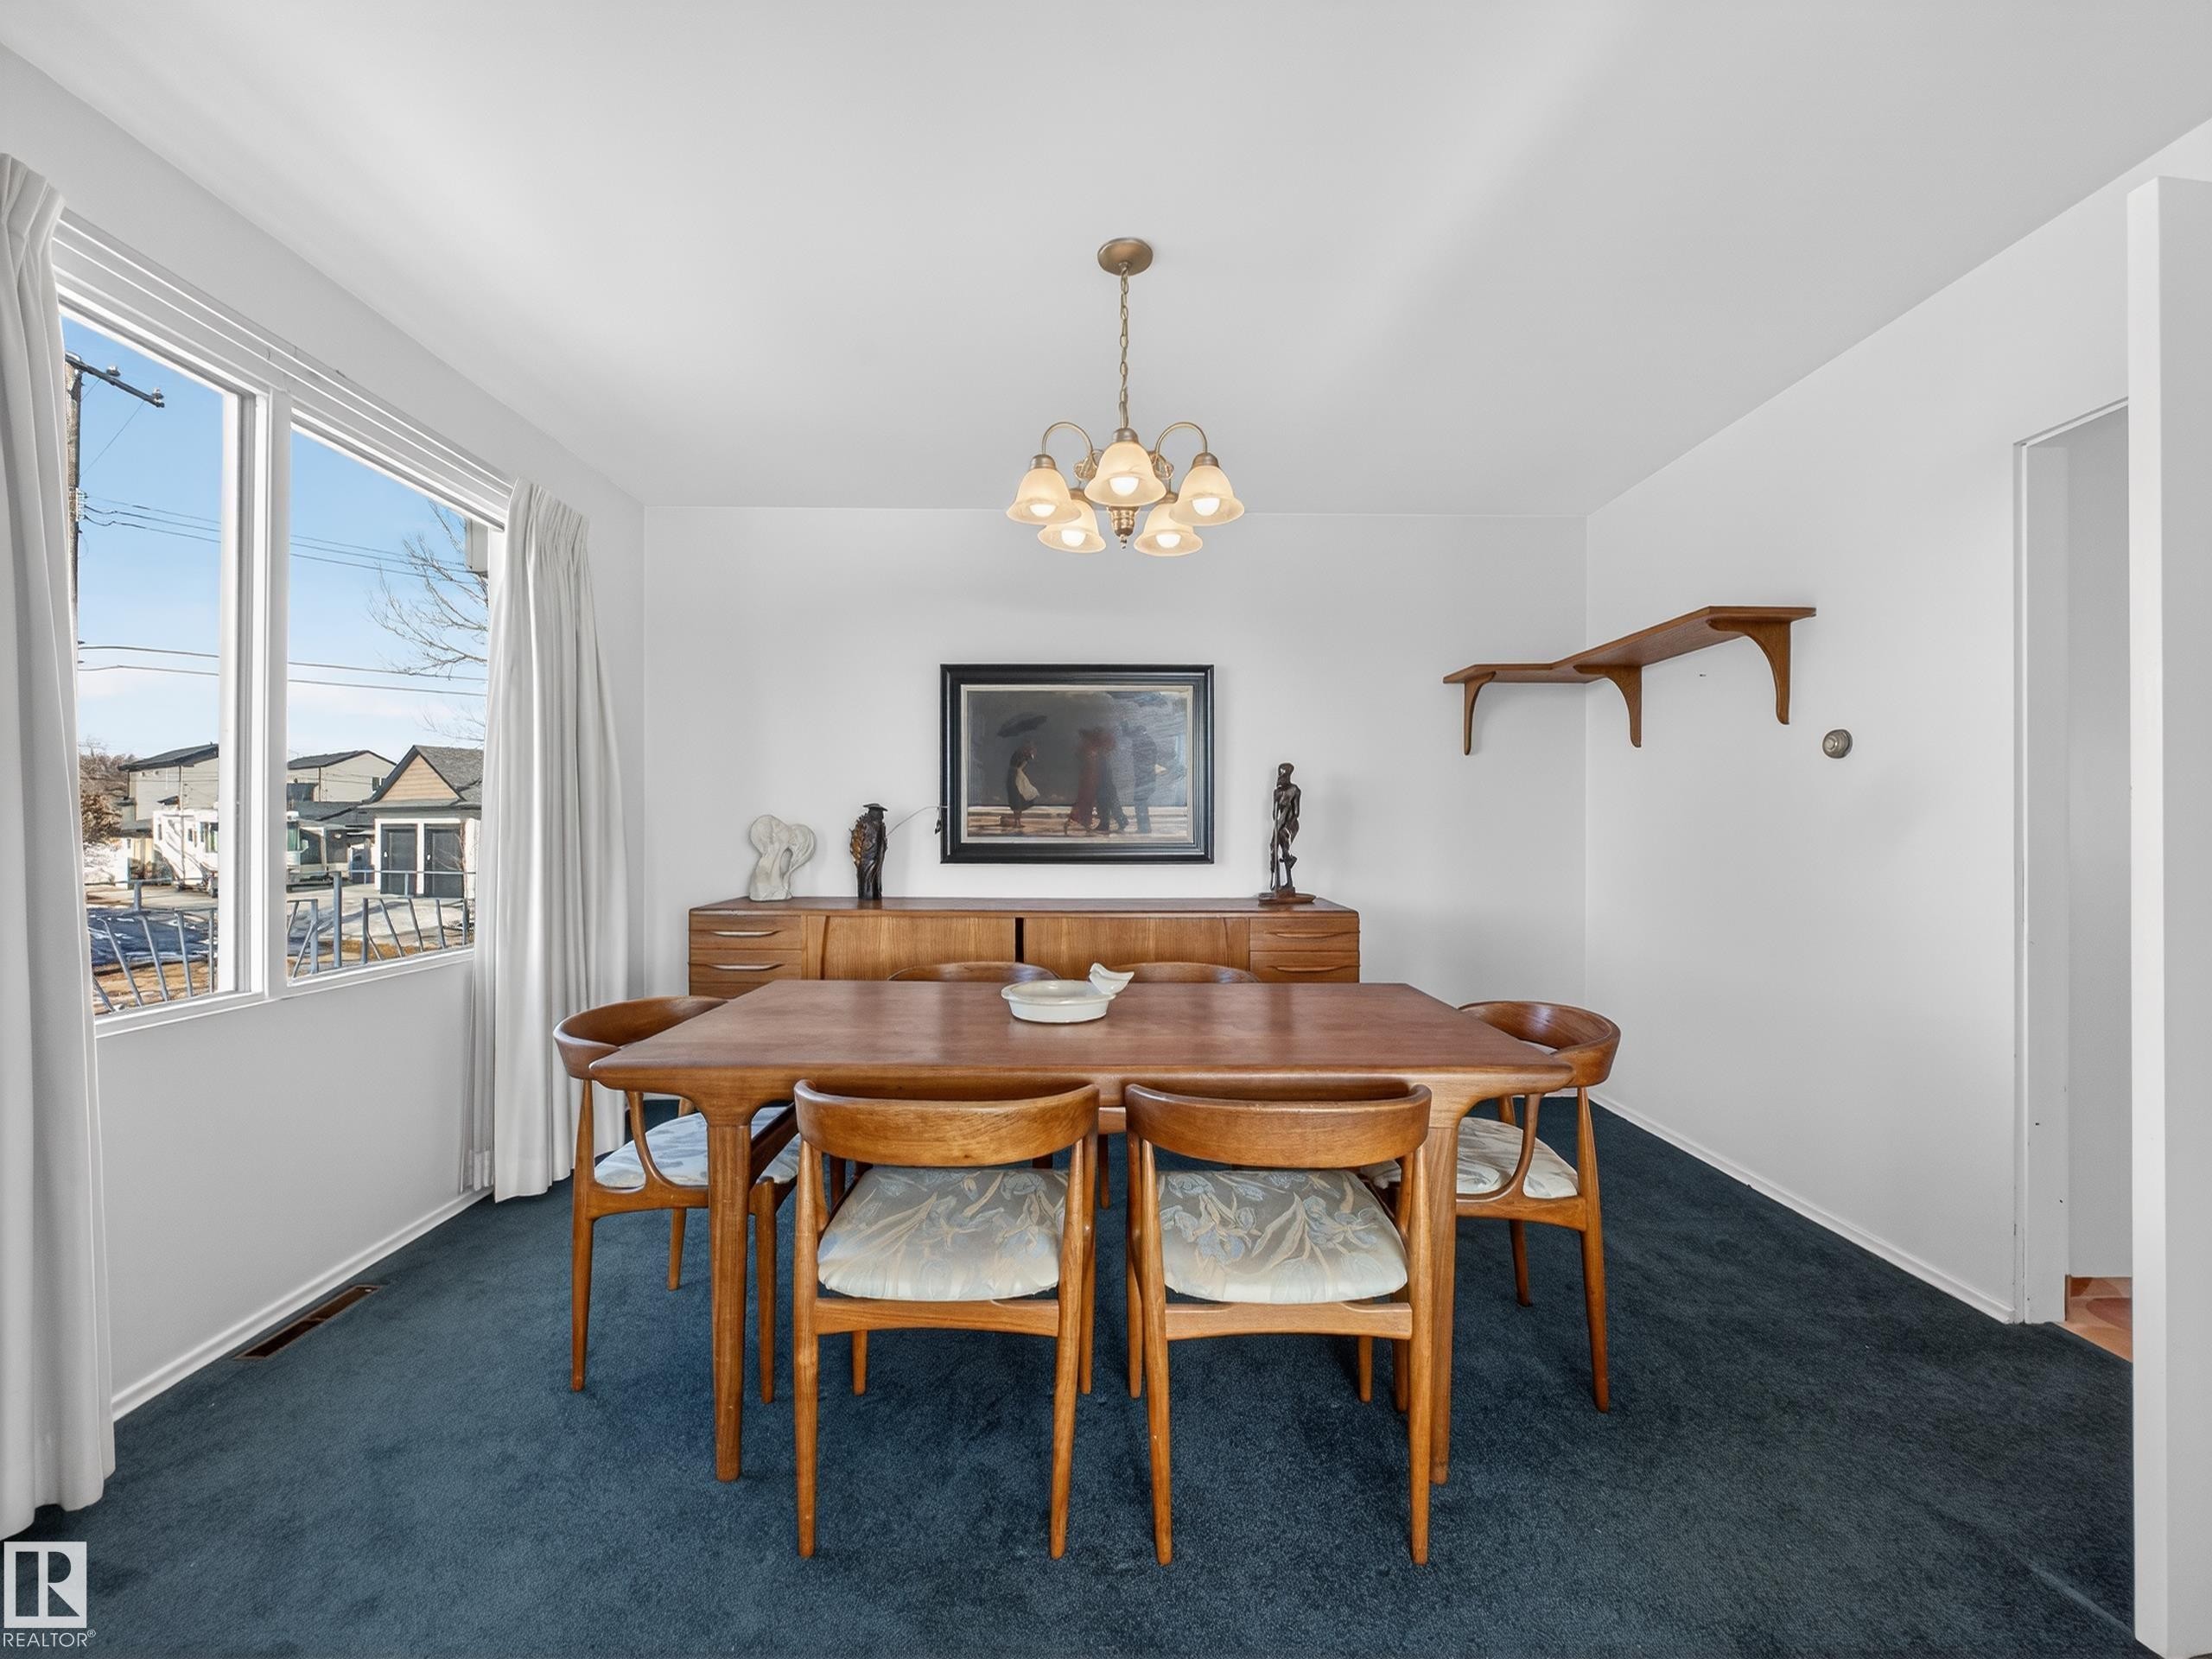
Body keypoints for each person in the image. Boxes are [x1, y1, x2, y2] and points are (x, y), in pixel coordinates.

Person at [1123, 718, 1158, 835]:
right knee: (1140, 802)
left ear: (1140, 733)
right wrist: (1124, 723)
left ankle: (1144, 828)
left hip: (1145, 778)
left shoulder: (1145, 742)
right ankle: (1144, 827)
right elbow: (1128, 734)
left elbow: (1148, 761)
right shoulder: (1146, 740)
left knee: (1140, 801)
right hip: (1145, 777)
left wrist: (1140, 767)